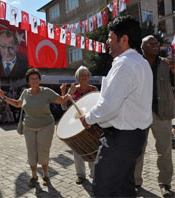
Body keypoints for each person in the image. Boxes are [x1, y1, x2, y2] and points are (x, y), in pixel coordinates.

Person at [80, 15, 153, 197]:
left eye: (111, 38)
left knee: (104, 190)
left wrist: (88, 118)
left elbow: (109, 106)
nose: (107, 42)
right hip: (135, 137)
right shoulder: (142, 63)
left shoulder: (124, 65)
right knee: (124, 188)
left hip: (120, 140)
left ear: (124, 39)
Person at [0, 67, 71, 187]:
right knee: (31, 152)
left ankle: (46, 175)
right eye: (32, 79)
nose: (35, 81)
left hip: (46, 126)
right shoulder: (25, 93)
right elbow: (17, 104)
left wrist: (67, 92)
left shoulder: (46, 91)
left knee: (43, 152)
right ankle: (34, 176)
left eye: (37, 78)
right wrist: (4, 97)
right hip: (29, 126)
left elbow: (61, 100)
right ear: (28, 81)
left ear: (39, 80)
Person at [134, 35, 174, 197]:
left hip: (162, 112)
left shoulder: (167, 64)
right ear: (143, 48)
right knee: (137, 150)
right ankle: (135, 182)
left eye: (157, 43)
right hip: (140, 113)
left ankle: (165, 183)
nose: (156, 45)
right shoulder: (136, 65)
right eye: (151, 43)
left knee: (164, 150)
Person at [60, 65, 98, 185]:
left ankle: (94, 174)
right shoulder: (73, 90)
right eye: (81, 75)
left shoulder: (93, 90)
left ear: (89, 76)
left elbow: (98, 105)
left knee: (92, 148)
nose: (83, 77)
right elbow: (64, 107)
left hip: (91, 123)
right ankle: (80, 175)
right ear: (77, 77)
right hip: (75, 125)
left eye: (86, 75)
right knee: (77, 151)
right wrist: (64, 92)